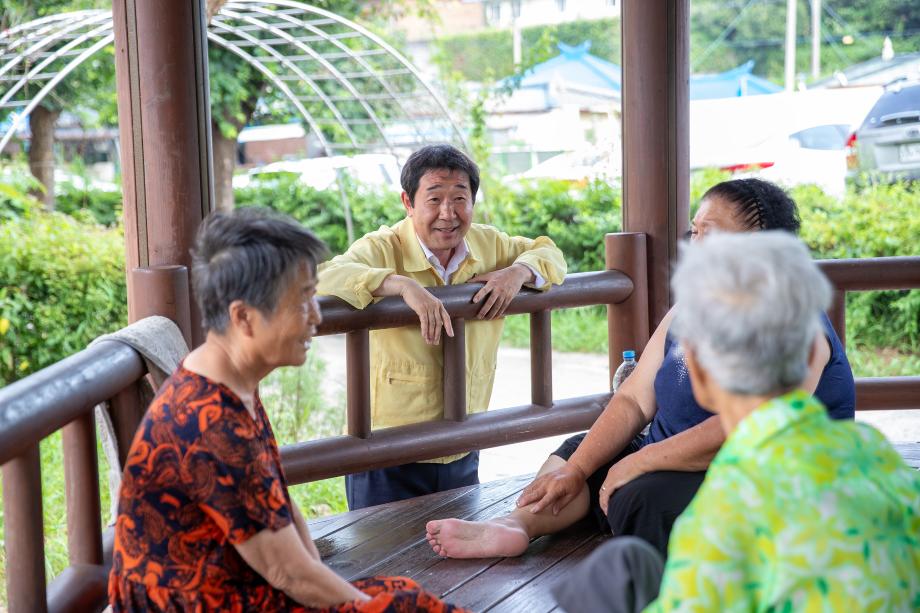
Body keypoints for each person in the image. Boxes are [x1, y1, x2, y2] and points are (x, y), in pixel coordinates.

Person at [425, 178, 855, 558]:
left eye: (714, 235)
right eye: (695, 232)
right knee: (582, 452)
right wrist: (580, 470)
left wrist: (641, 460)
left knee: (643, 495)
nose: (696, 247)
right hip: (684, 458)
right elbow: (633, 398)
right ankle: (516, 526)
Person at [108, 208, 468, 612]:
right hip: (206, 602)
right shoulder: (210, 421)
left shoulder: (226, 378)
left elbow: (279, 510)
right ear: (243, 317)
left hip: (240, 589)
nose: (316, 316)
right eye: (301, 302)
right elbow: (288, 574)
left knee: (401, 596)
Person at [552, 232, 920, 612]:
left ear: (696, 370)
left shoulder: (724, 509)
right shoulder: (874, 453)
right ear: (812, 349)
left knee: (602, 582)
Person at [317, 144, 566, 510]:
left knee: (457, 558)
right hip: (388, 448)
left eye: (459, 199)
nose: (448, 214)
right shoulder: (384, 246)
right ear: (408, 201)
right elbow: (327, 275)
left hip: (462, 439)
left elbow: (551, 254)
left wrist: (518, 272)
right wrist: (401, 285)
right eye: (434, 199)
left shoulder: (490, 243)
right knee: (381, 558)